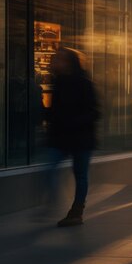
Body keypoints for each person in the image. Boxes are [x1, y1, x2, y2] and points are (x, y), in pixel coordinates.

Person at [46, 48, 100, 227]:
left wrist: (73, 122)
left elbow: (95, 112)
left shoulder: (84, 83)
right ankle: (54, 204)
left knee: (80, 175)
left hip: (81, 138)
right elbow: (55, 111)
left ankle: (76, 211)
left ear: (69, 62)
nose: (55, 62)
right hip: (62, 137)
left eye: (59, 59)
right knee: (50, 168)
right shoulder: (59, 82)